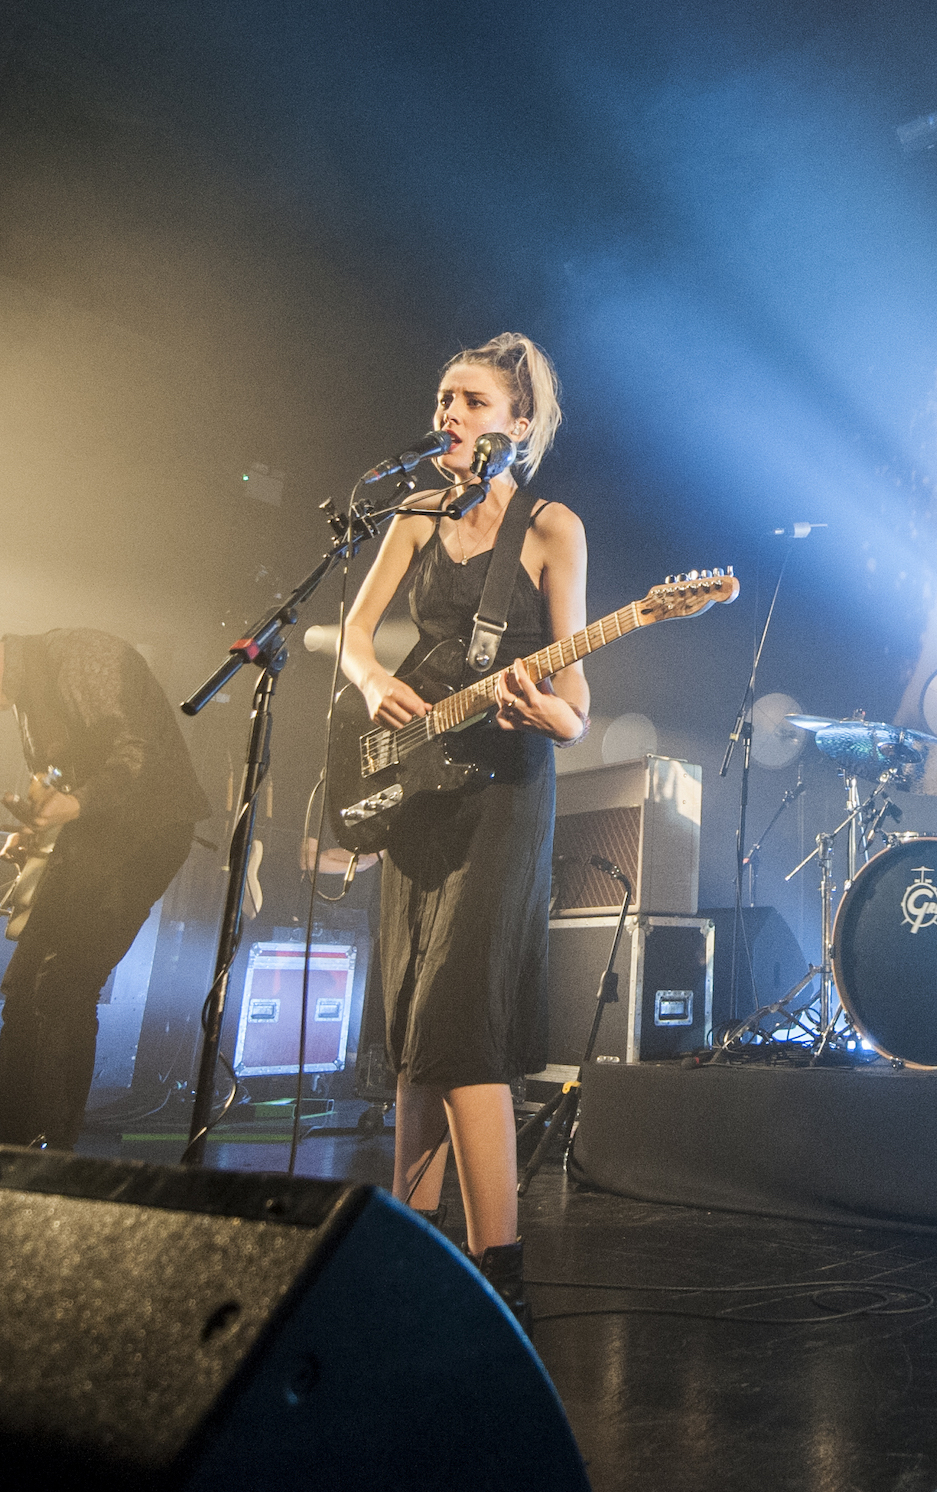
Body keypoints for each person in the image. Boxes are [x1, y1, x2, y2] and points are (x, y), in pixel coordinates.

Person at [336, 333, 589, 1322]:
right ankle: (409, 1243)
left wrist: (550, 714)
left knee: (461, 1020)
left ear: (517, 424)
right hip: (419, 786)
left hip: (505, 790)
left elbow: (575, 697)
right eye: (445, 397)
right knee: (409, 1022)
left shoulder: (551, 527)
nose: (450, 412)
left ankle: (500, 1273)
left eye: (473, 401)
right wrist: (373, 681)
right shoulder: (415, 510)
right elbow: (358, 636)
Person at [0, 629, 209, 1151]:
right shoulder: (28, 695)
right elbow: (61, 771)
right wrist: (35, 824)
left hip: (147, 833)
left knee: (64, 986)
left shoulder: (82, 656)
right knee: (21, 989)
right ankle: (6, 1146)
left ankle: (54, 1157)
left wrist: (72, 806)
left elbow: (138, 753)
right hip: (91, 839)